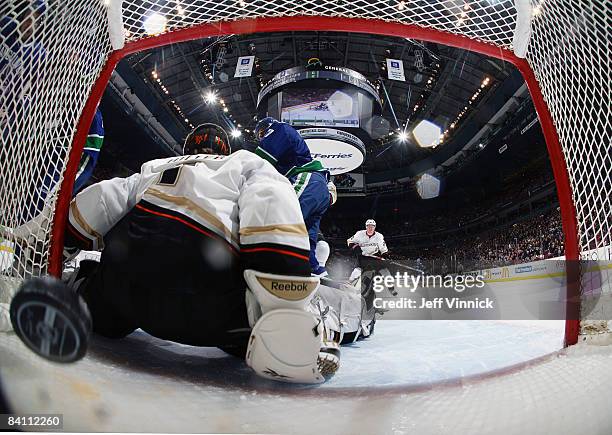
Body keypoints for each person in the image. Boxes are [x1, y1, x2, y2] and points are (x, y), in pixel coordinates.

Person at [48, 123, 339, 383]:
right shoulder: (245, 162)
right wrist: (282, 289)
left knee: (103, 308)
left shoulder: (157, 165)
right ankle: (282, 334)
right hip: (210, 295)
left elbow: (106, 197)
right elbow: (269, 201)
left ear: (187, 147)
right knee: (250, 333)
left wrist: (65, 241)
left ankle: (80, 289)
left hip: (128, 283)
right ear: (226, 149)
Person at [254, 117, 335, 277]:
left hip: (307, 180)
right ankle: (316, 271)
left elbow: (257, 163)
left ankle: (269, 266)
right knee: (306, 238)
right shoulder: (286, 142)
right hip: (316, 188)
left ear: (267, 128)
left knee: (283, 220)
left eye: (262, 134)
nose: (262, 138)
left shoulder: (279, 129)